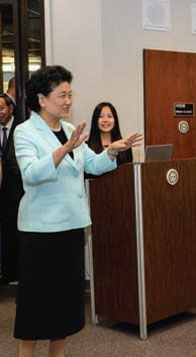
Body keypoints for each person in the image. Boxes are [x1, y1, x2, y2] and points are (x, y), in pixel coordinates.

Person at [13, 65, 143, 357]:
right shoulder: (25, 132)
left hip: (71, 228)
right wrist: (63, 149)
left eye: (70, 94)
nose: (68, 101)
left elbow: (92, 167)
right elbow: (31, 174)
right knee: (36, 308)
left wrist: (111, 152)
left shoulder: (71, 130)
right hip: (41, 232)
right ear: (41, 98)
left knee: (63, 308)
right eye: (62, 95)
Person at [0, 93, 23, 285]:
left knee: (19, 232)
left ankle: (22, 272)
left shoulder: (22, 128)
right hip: (2, 192)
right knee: (6, 233)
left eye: (1, 108)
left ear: (11, 108)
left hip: (20, 191)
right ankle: (8, 272)